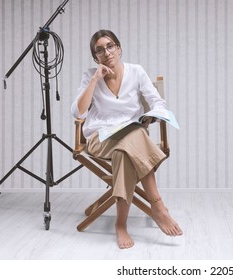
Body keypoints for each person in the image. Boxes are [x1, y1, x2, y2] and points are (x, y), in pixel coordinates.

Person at [71, 29, 183, 249]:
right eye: (100, 50)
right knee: (134, 138)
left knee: (126, 147)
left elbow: (158, 102)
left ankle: (120, 224)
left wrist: (151, 115)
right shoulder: (90, 75)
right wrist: (95, 79)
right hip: (100, 138)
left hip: (131, 138)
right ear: (96, 57)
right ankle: (157, 207)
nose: (107, 52)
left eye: (110, 46)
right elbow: (78, 113)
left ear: (119, 48)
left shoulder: (136, 71)